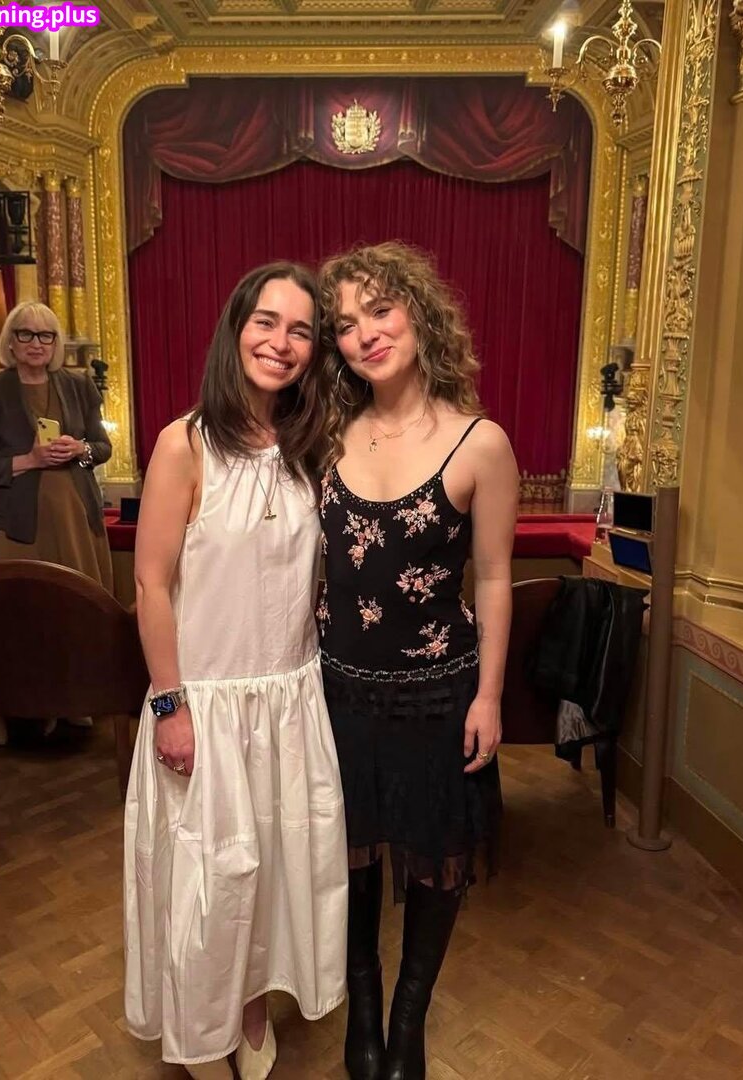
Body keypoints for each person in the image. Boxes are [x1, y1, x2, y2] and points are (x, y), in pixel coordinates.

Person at [124, 262, 348, 1079]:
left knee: (273, 877)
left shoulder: (311, 447)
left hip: (289, 702)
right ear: (235, 328)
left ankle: (251, 1009)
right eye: (266, 322)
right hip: (206, 705)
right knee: (209, 882)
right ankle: (201, 1029)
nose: (281, 342)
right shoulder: (184, 444)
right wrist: (171, 705)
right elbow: (151, 583)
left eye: (301, 330)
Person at [316, 242, 518, 1080]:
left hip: (440, 696)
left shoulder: (481, 443)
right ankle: (362, 1008)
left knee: (436, 863)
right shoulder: (324, 436)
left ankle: (407, 1020)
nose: (365, 333)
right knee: (352, 858)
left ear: (419, 313)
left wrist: (490, 697)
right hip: (337, 695)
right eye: (344, 324)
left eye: (380, 310)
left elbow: (496, 578)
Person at [0, 300, 113, 743]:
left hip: (75, 516)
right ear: (10, 342)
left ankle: (79, 703)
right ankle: (33, 708)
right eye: (26, 334)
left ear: (55, 343)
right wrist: (29, 459)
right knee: (29, 614)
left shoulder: (78, 386)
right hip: (20, 526)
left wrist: (80, 450)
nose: (36, 343)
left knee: (78, 610)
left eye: (45, 335)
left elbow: (101, 448)